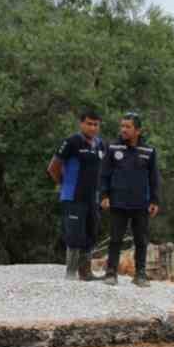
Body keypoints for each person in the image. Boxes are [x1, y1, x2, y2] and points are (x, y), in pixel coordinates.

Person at [100, 111, 160, 287]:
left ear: (138, 130)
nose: (123, 130)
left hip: (141, 203)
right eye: (122, 126)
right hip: (118, 202)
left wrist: (155, 200)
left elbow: (154, 178)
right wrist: (104, 195)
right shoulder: (113, 148)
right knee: (115, 238)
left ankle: (140, 274)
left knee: (141, 240)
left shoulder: (148, 151)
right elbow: (104, 175)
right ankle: (111, 273)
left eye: (128, 127)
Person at [46, 109, 105, 281]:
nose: (92, 127)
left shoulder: (101, 144)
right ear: (81, 124)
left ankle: (85, 273)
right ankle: (70, 272)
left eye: (96, 124)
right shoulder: (71, 142)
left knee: (90, 233)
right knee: (73, 235)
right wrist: (63, 183)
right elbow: (53, 167)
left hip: (92, 198)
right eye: (89, 123)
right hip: (73, 197)